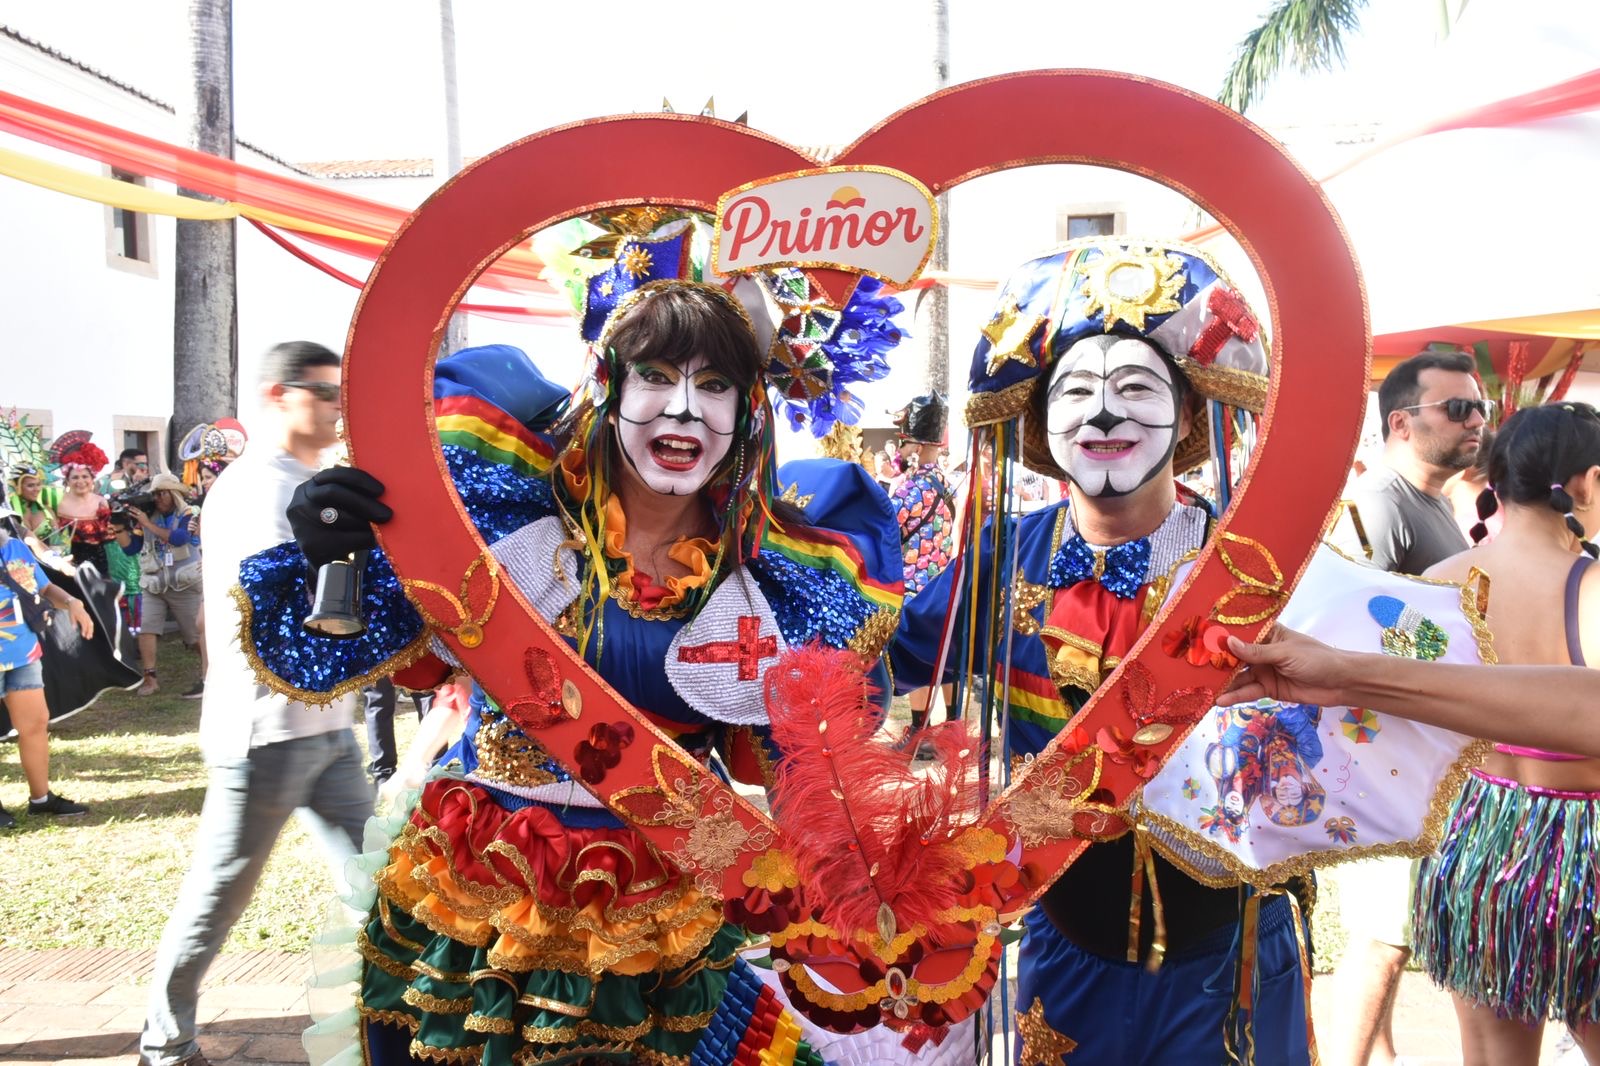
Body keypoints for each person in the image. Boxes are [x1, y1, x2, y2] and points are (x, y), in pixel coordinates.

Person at [236, 214, 918, 1064]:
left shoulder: (777, 577)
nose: (681, 407)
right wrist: (327, 558)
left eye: (714, 384)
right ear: (608, 385)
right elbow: (329, 653)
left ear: (749, 412)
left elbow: (808, 779)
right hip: (478, 885)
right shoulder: (504, 515)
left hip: (668, 905)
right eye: (657, 375)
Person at [893, 238, 1310, 1062]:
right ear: (1045, 424)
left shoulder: (1252, 561)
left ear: (1189, 414)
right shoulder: (1002, 555)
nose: (1104, 414)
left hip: (1230, 949)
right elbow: (888, 661)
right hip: (1062, 937)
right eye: (1075, 390)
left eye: (1136, 389)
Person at [137, 342, 375, 1066]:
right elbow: (289, 609)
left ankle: (394, 1025)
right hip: (265, 733)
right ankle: (165, 1041)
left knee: (380, 885)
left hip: (329, 729)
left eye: (342, 393)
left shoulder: (321, 479)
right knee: (219, 898)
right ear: (279, 395)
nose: (338, 406)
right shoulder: (253, 489)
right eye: (326, 391)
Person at [1402, 403, 1600, 1064]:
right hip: (1588, 853)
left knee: (1490, 1056)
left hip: (1479, 839)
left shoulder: (1441, 583)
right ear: (1588, 483)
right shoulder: (1593, 589)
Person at [1337, 349, 1489, 1066]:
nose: (1477, 422)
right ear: (1401, 422)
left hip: (1416, 762)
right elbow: (1347, 639)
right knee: (1381, 943)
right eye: (1457, 408)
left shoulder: (1429, 502)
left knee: (1393, 942)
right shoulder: (1380, 504)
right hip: (1382, 763)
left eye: (1481, 408)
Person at [0, 502, 95, 828]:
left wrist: (71, 601)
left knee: (35, 724)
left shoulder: (12, 546)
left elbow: (41, 586)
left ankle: (41, 799)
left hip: (23, 651)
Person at [889, 393, 955, 739]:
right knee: (945, 655)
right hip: (944, 584)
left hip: (914, 587)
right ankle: (954, 725)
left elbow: (889, 533)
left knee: (918, 660)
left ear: (916, 444)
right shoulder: (945, 482)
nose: (900, 448)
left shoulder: (907, 489)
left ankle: (920, 730)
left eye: (904, 440)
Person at [114, 473, 205, 698]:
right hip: (154, 582)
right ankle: (150, 678)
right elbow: (131, 548)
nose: (157, 498)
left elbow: (179, 538)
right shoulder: (147, 516)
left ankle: (210, 673)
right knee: (147, 629)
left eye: (161, 493)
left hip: (184, 583)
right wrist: (119, 527)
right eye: (154, 494)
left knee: (194, 636)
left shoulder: (188, 513)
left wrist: (146, 523)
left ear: (173, 494)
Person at [55, 458, 114, 575]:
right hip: (66, 564)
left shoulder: (101, 502)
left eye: (85, 476)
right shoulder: (57, 502)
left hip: (98, 563)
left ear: (92, 479)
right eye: (75, 477)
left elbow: (109, 539)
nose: (80, 481)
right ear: (67, 480)